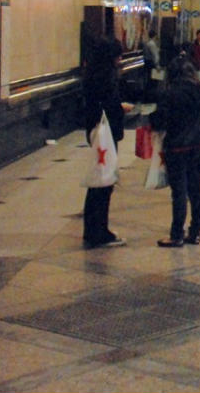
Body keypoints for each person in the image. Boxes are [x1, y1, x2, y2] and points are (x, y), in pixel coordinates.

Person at [150, 57, 200, 247]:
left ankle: (176, 234)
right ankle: (195, 232)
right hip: (197, 145)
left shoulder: (170, 92)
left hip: (176, 147)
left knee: (179, 191)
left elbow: (159, 121)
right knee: (195, 189)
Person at [82, 37, 133, 248]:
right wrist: (121, 108)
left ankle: (92, 229)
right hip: (106, 132)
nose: (120, 59)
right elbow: (110, 104)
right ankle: (99, 231)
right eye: (118, 55)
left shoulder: (92, 73)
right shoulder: (106, 76)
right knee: (104, 181)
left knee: (98, 179)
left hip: (95, 129)